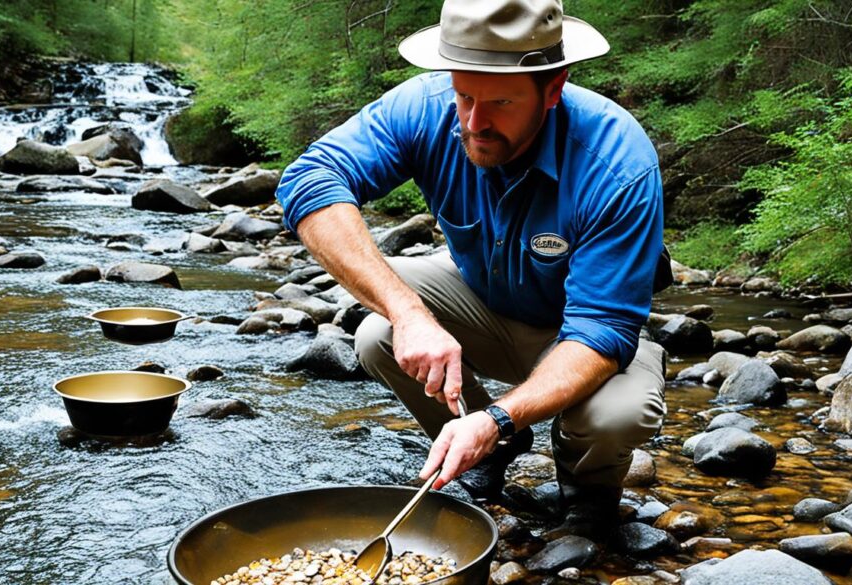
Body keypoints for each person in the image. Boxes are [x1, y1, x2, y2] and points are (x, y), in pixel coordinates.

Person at [276, 0, 668, 538]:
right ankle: (485, 448)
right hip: (483, 297)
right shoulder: (427, 106)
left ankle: (587, 493)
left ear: (552, 90)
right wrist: (409, 313)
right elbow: (310, 179)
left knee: (613, 417)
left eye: (501, 101)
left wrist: (500, 413)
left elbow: (601, 329)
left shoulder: (616, 162)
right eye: (464, 95)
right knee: (377, 334)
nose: (474, 123)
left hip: (582, 334)